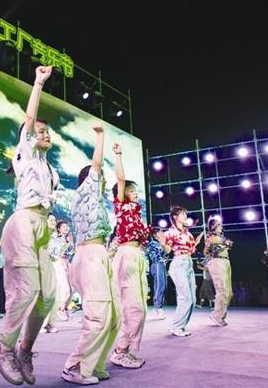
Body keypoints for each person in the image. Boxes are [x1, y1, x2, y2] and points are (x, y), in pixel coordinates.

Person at [0, 65, 58, 386]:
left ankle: (24, 350)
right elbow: (30, 120)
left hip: (42, 228)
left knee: (48, 296)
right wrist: (38, 82)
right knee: (26, 290)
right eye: (40, 131)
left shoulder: (51, 170)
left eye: (48, 132)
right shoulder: (26, 154)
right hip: (22, 224)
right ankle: (3, 348)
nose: (44, 135)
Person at [61, 124, 119, 385]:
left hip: (99, 256)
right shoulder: (85, 192)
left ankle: (94, 364)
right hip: (89, 258)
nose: (103, 180)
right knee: (97, 316)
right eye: (100, 177)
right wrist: (100, 137)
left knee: (114, 317)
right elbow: (96, 166)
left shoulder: (96, 202)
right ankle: (74, 366)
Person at [109, 142, 151, 370]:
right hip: (126, 256)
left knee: (140, 308)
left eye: (135, 190)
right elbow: (121, 178)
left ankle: (125, 349)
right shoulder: (121, 206)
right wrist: (118, 155)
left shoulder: (137, 214)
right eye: (132, 190)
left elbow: (144, 239)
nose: (135, 193)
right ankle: (120, 351)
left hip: (137, 257)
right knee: (133, 308)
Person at [159, 206, 204, 337]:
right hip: (178, 264)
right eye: (182, 214)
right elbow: (168, 250)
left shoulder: (187, 232)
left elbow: (190, 249)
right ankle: (176, 327)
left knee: (193, 299)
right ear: (175, 217)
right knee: (186, 298)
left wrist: (196, 242)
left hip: (188, 263)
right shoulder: (170, 232)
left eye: (186, 214)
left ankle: (181, 326)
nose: (185, 216)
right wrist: (162, 242)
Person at [42, 220, 73, 333]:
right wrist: (68, 244)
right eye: (50, 220)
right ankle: (60, 310)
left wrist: (69, 244)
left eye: (54, 220)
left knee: (67, 291)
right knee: (61, 290)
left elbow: (70, 252)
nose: (53, 222)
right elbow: (56, 253)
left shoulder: (65, 238)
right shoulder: (52, 237)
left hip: (65, 263)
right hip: (55, 264)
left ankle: (50, 323)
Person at [203, 217, 233, 326]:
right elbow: (206, 251)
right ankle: (216, 315)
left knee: (228, 292)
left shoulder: (220, 237)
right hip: (217, 261)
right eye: (218, 224)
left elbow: (229, 244)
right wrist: (226, 243)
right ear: (212, 226)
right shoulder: (211, 236)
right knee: (222, 289)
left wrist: (226, 243)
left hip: (225, 261)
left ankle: (221, 315)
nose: (221, 226)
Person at [144, 228, 168, 320]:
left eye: (162, 231)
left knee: (163, 285)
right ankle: (158, 307)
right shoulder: (152, 243)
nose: (162, 233)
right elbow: (147, 252)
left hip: (162, 265)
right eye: (159, 232)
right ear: (154, 235)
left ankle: (158, 306)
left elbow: (166, 253)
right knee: (159, 285)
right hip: (157, 264)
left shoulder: (162, 243)